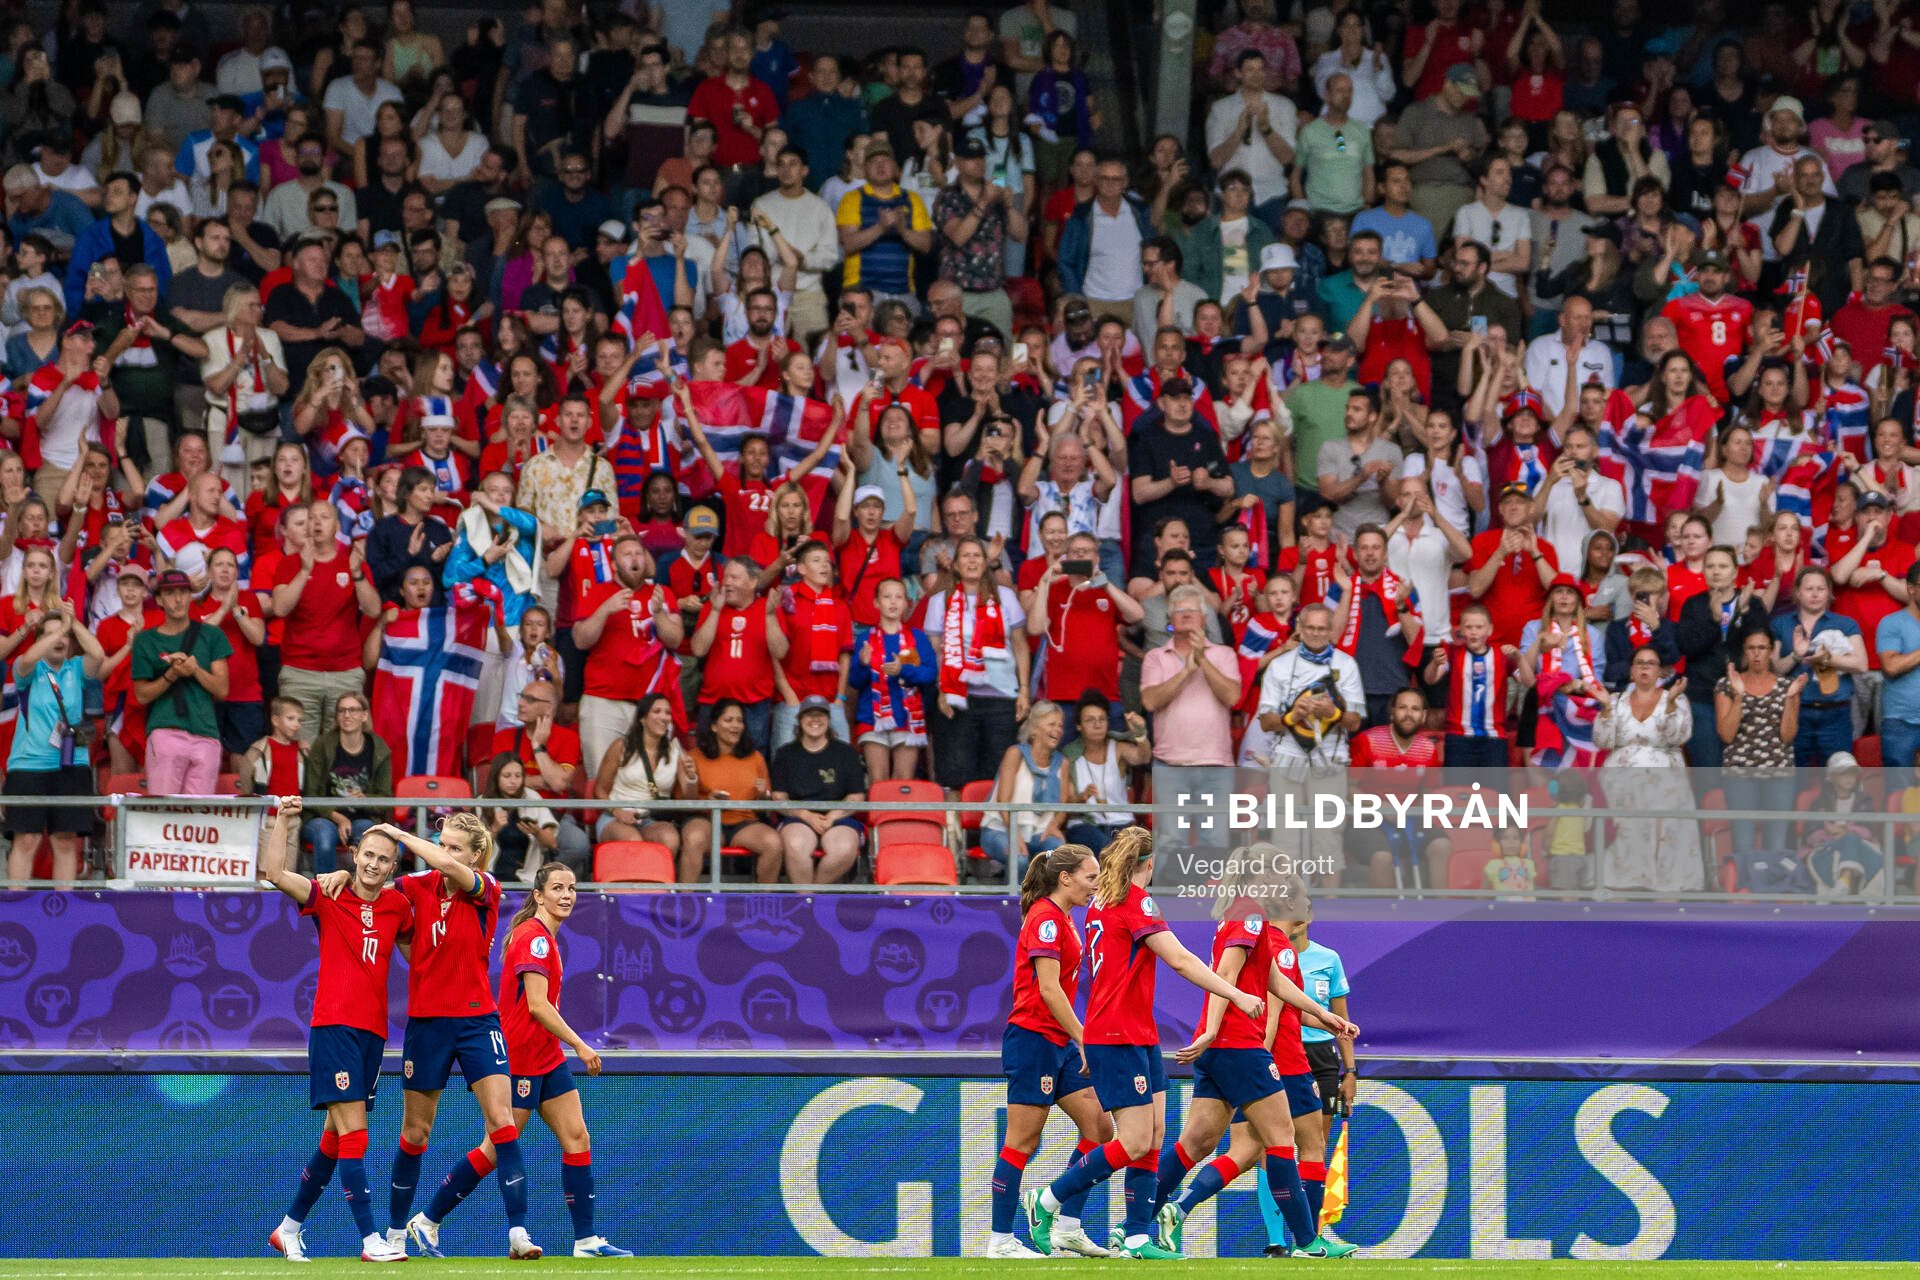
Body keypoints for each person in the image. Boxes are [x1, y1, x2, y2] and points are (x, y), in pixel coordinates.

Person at [1023, 828, 1265, 1261]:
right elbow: (1181, 960)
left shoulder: (1101, 902)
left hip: (1137, 1033)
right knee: (1134, 1142)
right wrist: (1236, 994)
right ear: (1148, 865)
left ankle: (1136, 1235)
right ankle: (1046, 1200)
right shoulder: (1136, 903)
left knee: (1154, 1136)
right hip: (1116, 1035)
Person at [302, 814, 531, 1261]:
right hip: (426, 1023)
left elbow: (447, 869)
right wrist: (344, 872)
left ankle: (518, 1232)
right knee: (415, 1132)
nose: (446, 853)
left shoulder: (484, 886)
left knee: (502, 1122)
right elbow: (368, 893)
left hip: (476, 1020)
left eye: (456, 847)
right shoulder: (412, 889)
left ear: (475, 855)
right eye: (441, 843)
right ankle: (396, 1232)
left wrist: (401, 835)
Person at [1152, 866, 1358, 1261]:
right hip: (1238, 1045)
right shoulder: (1248, 914)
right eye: (1274, 877)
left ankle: (1137, 1225)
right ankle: (1307, 1241)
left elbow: (1276, 983)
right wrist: (1213, 1029)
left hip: (1223, 1048)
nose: (1283, 886)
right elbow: (1224, 973)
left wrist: (1326, 1016)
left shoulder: (1245, 916)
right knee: (1282, 1141)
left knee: (1198, 1142)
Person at [259, 797, 412, 1265]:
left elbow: (422, 952)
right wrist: (285, 820)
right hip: (334, 1027)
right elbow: (274, 873)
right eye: (368, 855)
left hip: (373, 1036)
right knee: (356, 1135)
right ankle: (370, 1239)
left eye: (384, 859)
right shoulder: (329, 894)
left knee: (334, 1138)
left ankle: (288, 1229)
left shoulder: (399, 907)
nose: (374, 864)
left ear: (392, 868)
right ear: (354, 853)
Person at [986, 845, 1112, 1259]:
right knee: (1022, 1140)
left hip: (1057, 1041)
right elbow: (1049, 989)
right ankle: (1000, 1241)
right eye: (1090, 877)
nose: (1095, 885)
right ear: (1066, 878)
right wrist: (1084, 1037)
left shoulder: (1064, 919)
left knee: (1100, 1130)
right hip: (1034, 1040)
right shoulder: (1044, 918)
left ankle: (1067, 1226)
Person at [3, 608, 106, 882]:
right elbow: (28, 658)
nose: (58, 640)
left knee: (64, 840)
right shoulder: (27, 669)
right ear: (40, 640)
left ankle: (64, 910)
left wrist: (75, 624)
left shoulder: (76, 669)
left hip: (72, 765)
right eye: (48, 635)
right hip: (28, 765)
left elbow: (98, 655)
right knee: (26, 840)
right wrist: (60, 629)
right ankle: (16, 908)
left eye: (63, 636)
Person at [1592, 646, 1706, 892]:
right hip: (1621, 785)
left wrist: (1672, 704)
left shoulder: (1675, 698)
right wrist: (1605, 709)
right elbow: (1602, 740)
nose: (1644, 667)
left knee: (1664, 834)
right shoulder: (1615, 700)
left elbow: (1678, 736)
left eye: (1651, 663)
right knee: (1624, 839)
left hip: (1665, 783)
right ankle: (1621, 892)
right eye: (1639, 663)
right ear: (1632, 671)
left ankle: (1664, 895)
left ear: (1659, 672)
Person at [132, 569, 233, 796]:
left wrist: (195, 670)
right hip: (165, 730)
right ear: (159, 600)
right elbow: (142, 695)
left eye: (183, 592)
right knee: (164, 813)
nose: (177, 599)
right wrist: (172, 674)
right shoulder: (145, 640)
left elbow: (222, 689)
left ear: (190, 596)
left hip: (206, 733)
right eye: (170, 593)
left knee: (196, 821)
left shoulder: (212, 635)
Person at [1718, 625, 1804, 860]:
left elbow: (1788, 736)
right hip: (1739, 773)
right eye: (1752, 648)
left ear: (1770, 652)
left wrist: (1788, 700)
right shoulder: (1726, 685)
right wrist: (1739, 696)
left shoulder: (1788, 686)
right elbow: (1726, 734)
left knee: (1776, 844)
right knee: (1743, 843)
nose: (1757, 653)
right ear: (1745, 652)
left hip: (1779, 772)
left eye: (1762, 648)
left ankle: (1772, 893)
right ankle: (1744, 895)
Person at [679, 698, 782, 884]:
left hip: (743, 823)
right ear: (714, 726)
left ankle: (763, 905)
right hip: (706, 820)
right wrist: (708, 800)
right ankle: (684, 904)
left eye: (739, 721)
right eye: (729, 720)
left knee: (773, 843)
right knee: (694, 838)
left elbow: (766, 807)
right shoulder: (694, 756)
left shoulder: (755, 758)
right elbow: (683, 802)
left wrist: (763, 796)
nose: (735, 726)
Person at [1772, 566, 1866, 765]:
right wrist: (1796, 655)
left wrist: (1826, 659)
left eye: (1821, 589)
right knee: (1794, 777)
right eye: (1809, 589)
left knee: (1838, 780)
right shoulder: (1780, 623)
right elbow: (1776, 669)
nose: (1815, 594)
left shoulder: (1846, 623)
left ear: (1829, 592)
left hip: (1836, 713)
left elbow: (1861, 664)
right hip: (1794, 710)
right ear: (1798, 592)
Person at [769, 695, 868, 884]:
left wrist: (832, 816)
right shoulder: (785, 753)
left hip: (840, 817)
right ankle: (806, 899)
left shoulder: (846, 752)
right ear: (799, 720)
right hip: (797, 817)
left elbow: (856, 795)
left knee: (844, 848)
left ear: (829, 720)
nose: (815, 720)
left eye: (821, 715)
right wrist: (806, 815)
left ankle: (812, 898)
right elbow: (778, 797)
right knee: (796, 845)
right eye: (809, 715)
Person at [301, 693, 391, 874]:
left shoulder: (378, 748)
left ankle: (361, 895)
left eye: (353, 710)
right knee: (325, 837)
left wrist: (365, 798)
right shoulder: (323, 744)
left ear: (364, 715)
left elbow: (385, 797)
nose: (347, 715)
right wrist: (338, 817)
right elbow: (311, 794)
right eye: (341, 710)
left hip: (363, 817)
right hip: (323, 818)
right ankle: (324, 895)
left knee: (367, 836)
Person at [592, 692, 687, 858]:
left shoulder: (675, 751)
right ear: (642, 718)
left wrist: (691, 777)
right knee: (632, 839)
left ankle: (657, 883)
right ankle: (633, 884)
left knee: (670, 838)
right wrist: (617, 811)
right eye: (657, 711)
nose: (664, 717)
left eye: (667, 713)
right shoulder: (621, 746)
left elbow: (688, 796)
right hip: (615, 817)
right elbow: (599, 790)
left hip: (651, 819)